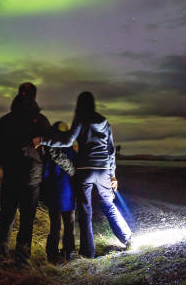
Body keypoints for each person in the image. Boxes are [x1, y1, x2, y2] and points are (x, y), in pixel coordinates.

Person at [34, 91, 131, 258]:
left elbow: (67, 141)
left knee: (85, 212)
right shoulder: (104, 121)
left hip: (85, 170)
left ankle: (88, 253)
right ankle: (127, 238)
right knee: (108, 204)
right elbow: (111, 150)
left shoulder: (81, 119)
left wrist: (43, 140)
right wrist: (113, 175)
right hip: (103, 171)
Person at [0, 83, 74, 264]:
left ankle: (0, 255)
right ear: (34, 96)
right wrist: (72, 170)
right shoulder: (40, 121)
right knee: (27, 220)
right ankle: (22, 258)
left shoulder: (5, 121)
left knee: (7, 217)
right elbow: (53, 150)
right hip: (32, 178)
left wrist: (6, 163)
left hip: (11, 175)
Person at [41, 121, 77, 263]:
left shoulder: (49, 150)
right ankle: (69, 252)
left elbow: (46, 173)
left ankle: (52, 255)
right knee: (69, 224)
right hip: (69, 192)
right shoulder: (72, 149)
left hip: (55, 192)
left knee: (55, 225)